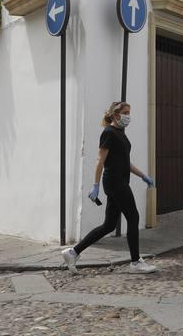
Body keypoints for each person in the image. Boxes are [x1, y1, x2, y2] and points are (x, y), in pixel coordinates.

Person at [62, 101, 157, 274]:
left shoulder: (120, 133)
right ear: (115, 115)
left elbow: (125, 162)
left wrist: (143, 176)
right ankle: (135, 262)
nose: (128, 116)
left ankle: (73, 252)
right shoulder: (108, 133)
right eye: (125, 112)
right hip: (114, 182)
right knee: (133, 216)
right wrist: (95, 185)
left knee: (109, 225)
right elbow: (100, 160)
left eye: (129, 112)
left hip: (119, 181)